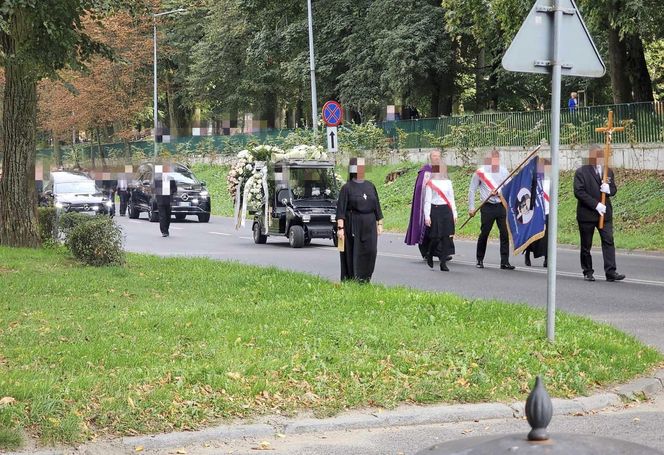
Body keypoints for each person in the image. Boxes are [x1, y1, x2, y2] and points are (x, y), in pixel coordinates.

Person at [573, 144, 625, 282]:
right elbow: (579, 192)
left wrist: (609, 189)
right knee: (586, 244)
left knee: (608, 241)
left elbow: (613, 189)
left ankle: (611, 272)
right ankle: (587, 271)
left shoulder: (608, 171)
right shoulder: (581, 172)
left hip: (605, 215)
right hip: (587, 215)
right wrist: (596, 205)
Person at [336, 158, 384, 283]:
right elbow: (341, 210)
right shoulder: (346, 188)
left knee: (371, 251)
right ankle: (354, 278)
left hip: (370, 222)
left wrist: (380, 223)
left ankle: (366, 277)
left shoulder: (370, 185)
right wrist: (340, 228)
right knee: (355, 251)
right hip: (354, 223)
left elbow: (376, 205)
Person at [468, 149, 514, 270]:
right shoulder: (480, 172)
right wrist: (471, 207)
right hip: (487, 206)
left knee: (504, 233)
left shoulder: (504, 171)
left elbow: (509, 187)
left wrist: (499, 193)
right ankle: (479, 259)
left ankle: (504, 261)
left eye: (497, 159)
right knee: (485, 233)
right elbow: (472, 189)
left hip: (500, 205)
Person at [405, 149, 454, 261]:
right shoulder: (425, 170)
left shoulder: (441, 169)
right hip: (426, 203)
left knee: (441, 228)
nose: (437, 158)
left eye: (438, 156)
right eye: (434, 156)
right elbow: (420, 188)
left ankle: (442, 252)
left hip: (439, 204)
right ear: (430, 157)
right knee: (427, 229)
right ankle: (426, 252)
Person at [423, 162, 457, 271]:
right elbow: (427, 200)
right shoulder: (431, 183)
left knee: (446, 236)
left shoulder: (448, 183)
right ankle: (430, 253)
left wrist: (454, 213)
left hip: (446, 210)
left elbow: (451, 199)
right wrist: (427, 216)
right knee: (436, 237)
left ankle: (443, 263)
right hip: (435, 209)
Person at [524, 158, 550, 267]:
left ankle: (547, 258)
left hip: (549, 210)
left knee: (548, 236)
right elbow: (530, 192)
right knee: (534, 234)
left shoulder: (551, 179)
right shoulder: (536, 178)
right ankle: (527, 254)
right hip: (537, 209)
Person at [155, 166, 177, 237]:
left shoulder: (171, 179)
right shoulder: (157, 179)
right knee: (162, 216)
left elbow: (174, 188)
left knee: (168, 216)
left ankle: (166, 229)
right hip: (160, 200)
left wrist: (171, 192)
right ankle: (164, 231)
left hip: (169, 200)